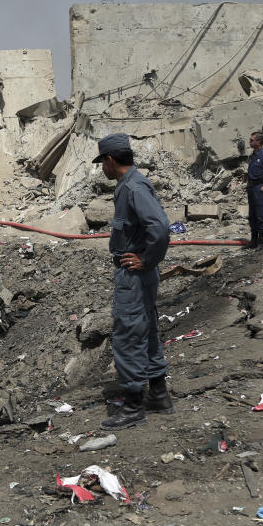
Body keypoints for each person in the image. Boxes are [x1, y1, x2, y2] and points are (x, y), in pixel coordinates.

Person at [92, 133, 171, 430]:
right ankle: (159, 395)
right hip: (140, 273)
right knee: (147, 329)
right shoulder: (131, 185)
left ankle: (134, 405)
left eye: (102, 163)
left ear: (110, 160)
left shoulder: (134, 187)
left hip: (134, 275)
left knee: (127, 334)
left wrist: (146, 259)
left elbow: (160, 228)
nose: (102, 169)